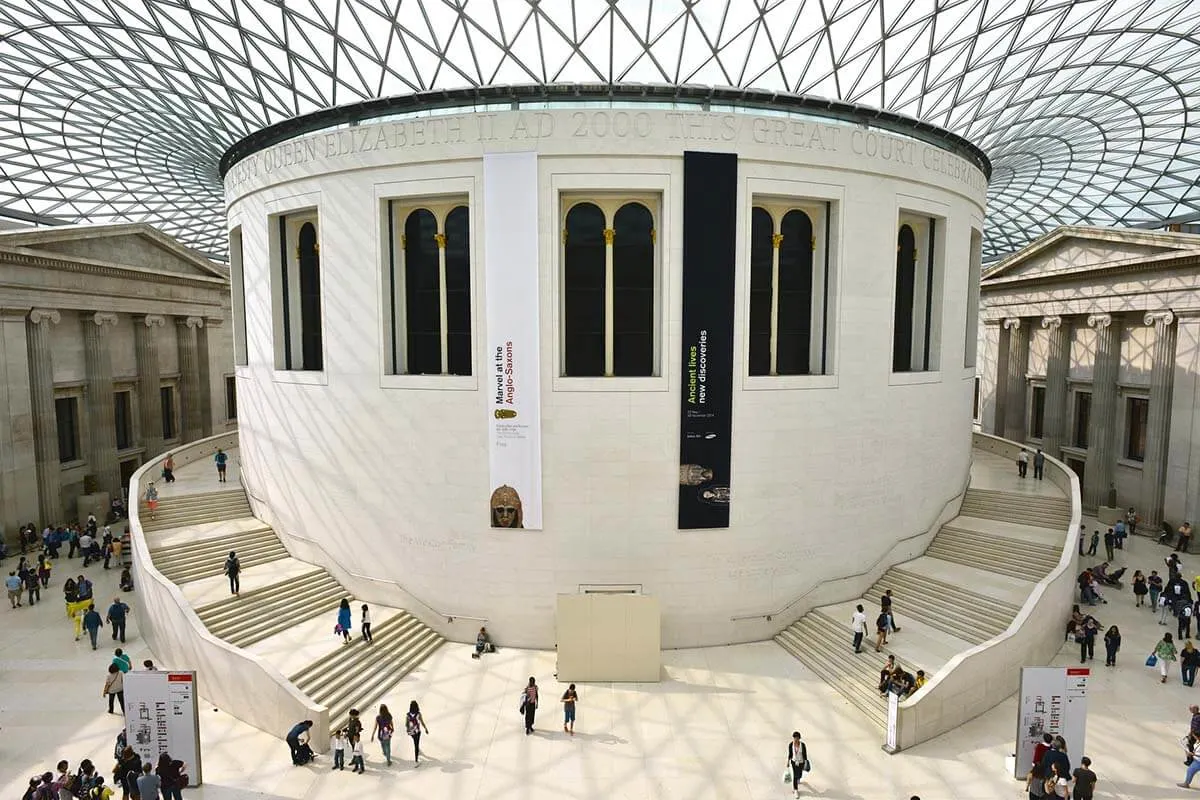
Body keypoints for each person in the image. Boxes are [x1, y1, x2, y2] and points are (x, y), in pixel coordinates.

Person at [786, 731, 808, 798]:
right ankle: (795, 790)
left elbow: (805, 754)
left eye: (797, 738)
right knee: (795, 775)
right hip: (794, 762)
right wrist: (788, 761)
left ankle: (798, 779)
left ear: (799, 738)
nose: (796, 739)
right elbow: (790, 754)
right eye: (795, 738)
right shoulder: (791, 744)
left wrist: (806, 762)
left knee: (800, 774)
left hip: (801, 762)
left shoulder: (803, 745)